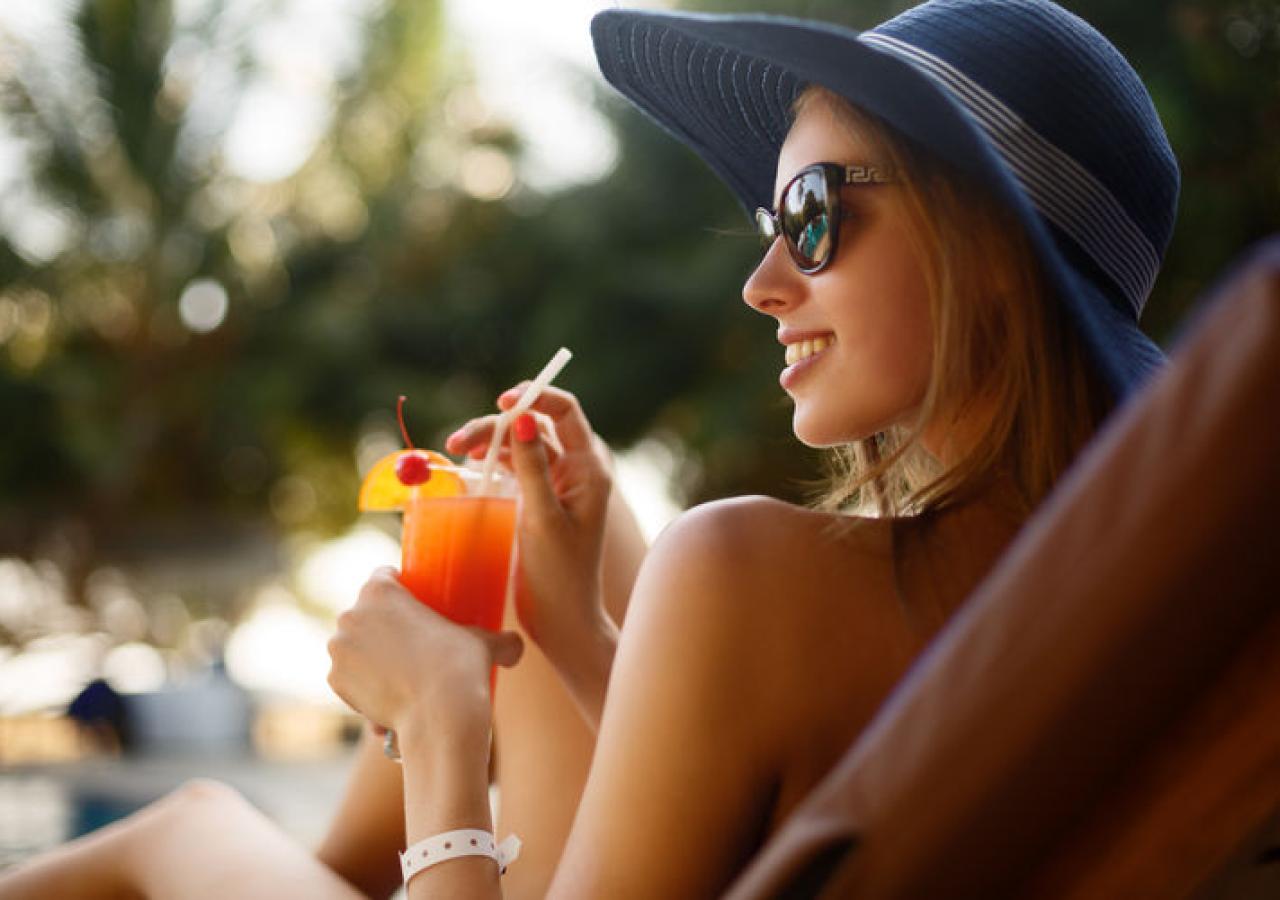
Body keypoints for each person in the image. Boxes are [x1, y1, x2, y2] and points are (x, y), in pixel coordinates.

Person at [0, 0, 1179, 897]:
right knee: (526, 558)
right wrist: (578, 634)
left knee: (184, 826)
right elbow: (796, 816)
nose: (760, 283)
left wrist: (439, 727)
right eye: (774, 226)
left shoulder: (748, 574)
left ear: (987, 248)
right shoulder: (1130, 614)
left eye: (812, 217)